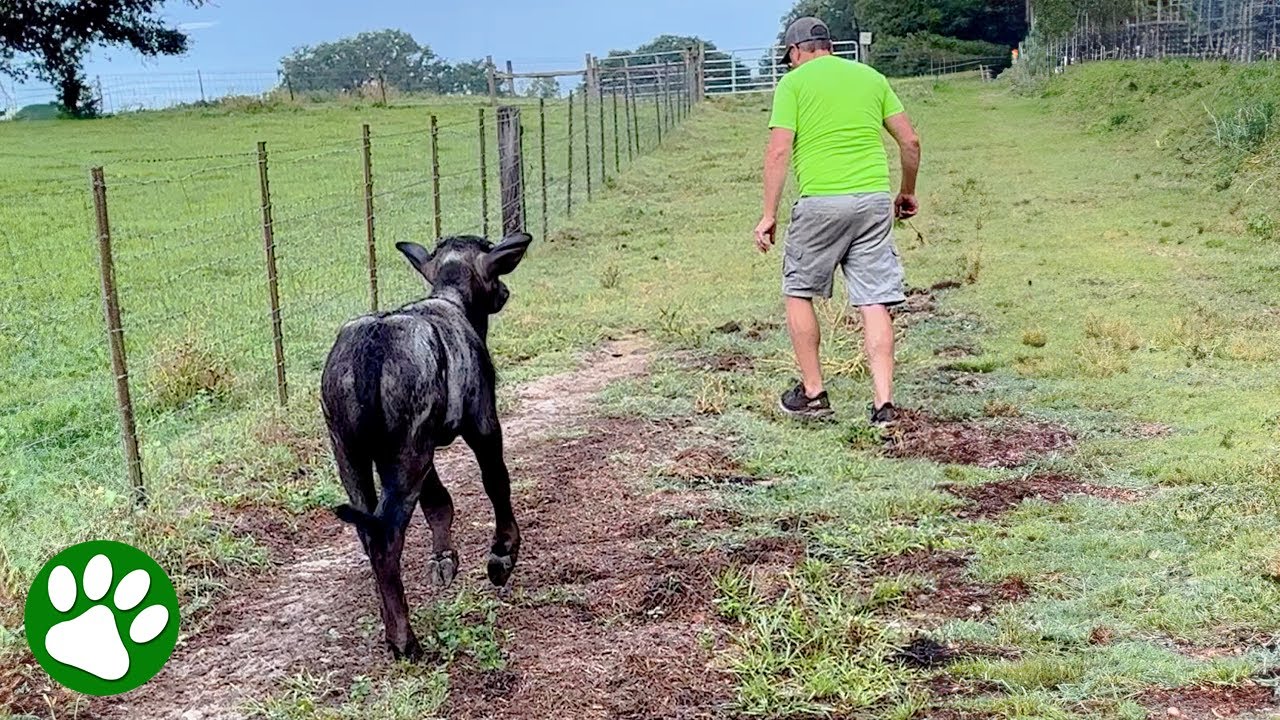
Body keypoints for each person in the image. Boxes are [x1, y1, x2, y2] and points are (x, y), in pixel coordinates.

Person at [754, 16, 921, 424]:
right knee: (874, 299)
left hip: (821, 203)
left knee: (798, 290)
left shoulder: (793, 84)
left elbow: (778, 152)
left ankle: (814, 393)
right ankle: (884, 405)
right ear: (829, 46)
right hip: (873, 201)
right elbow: (910, 141)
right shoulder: (871, 78)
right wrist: (906, 191)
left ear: (795, 52)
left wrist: (769, 215)